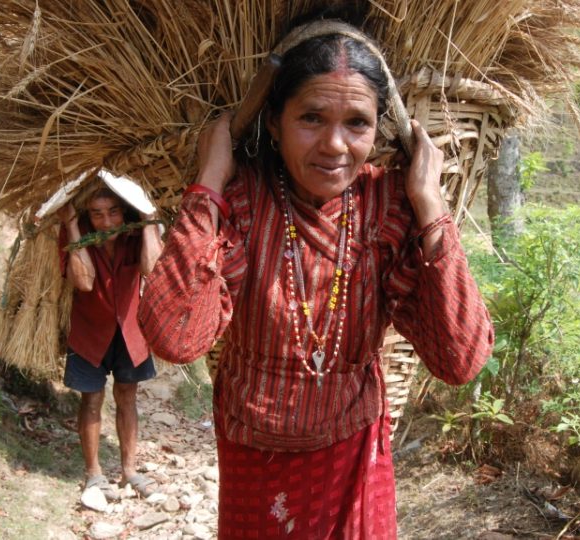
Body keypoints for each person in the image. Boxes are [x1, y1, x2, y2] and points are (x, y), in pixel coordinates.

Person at [138, 19, 494, 539]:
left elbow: (460, 360)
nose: (335, 144)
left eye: (357, 123)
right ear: (276, 124)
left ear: (378, 129)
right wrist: (209, 182)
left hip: (352, 459)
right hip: (253, 457)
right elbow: (175, 336)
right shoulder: (243, 204)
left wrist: (430, 202)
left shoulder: (386, 210)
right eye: (311, 117)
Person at [57, 184, 163, 501]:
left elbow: (152, 269)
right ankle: (94, 475)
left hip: (131, 333)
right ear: (88, 215)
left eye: (114, 212)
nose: (106, 222)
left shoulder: (137, 234)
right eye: (98, 214)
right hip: (89, 333)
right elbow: (84, 282)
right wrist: (73, 225)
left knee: (127, 398)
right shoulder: (75, 234)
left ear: (125, 211)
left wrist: (147, 219)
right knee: (91, 400)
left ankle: (129, 471)